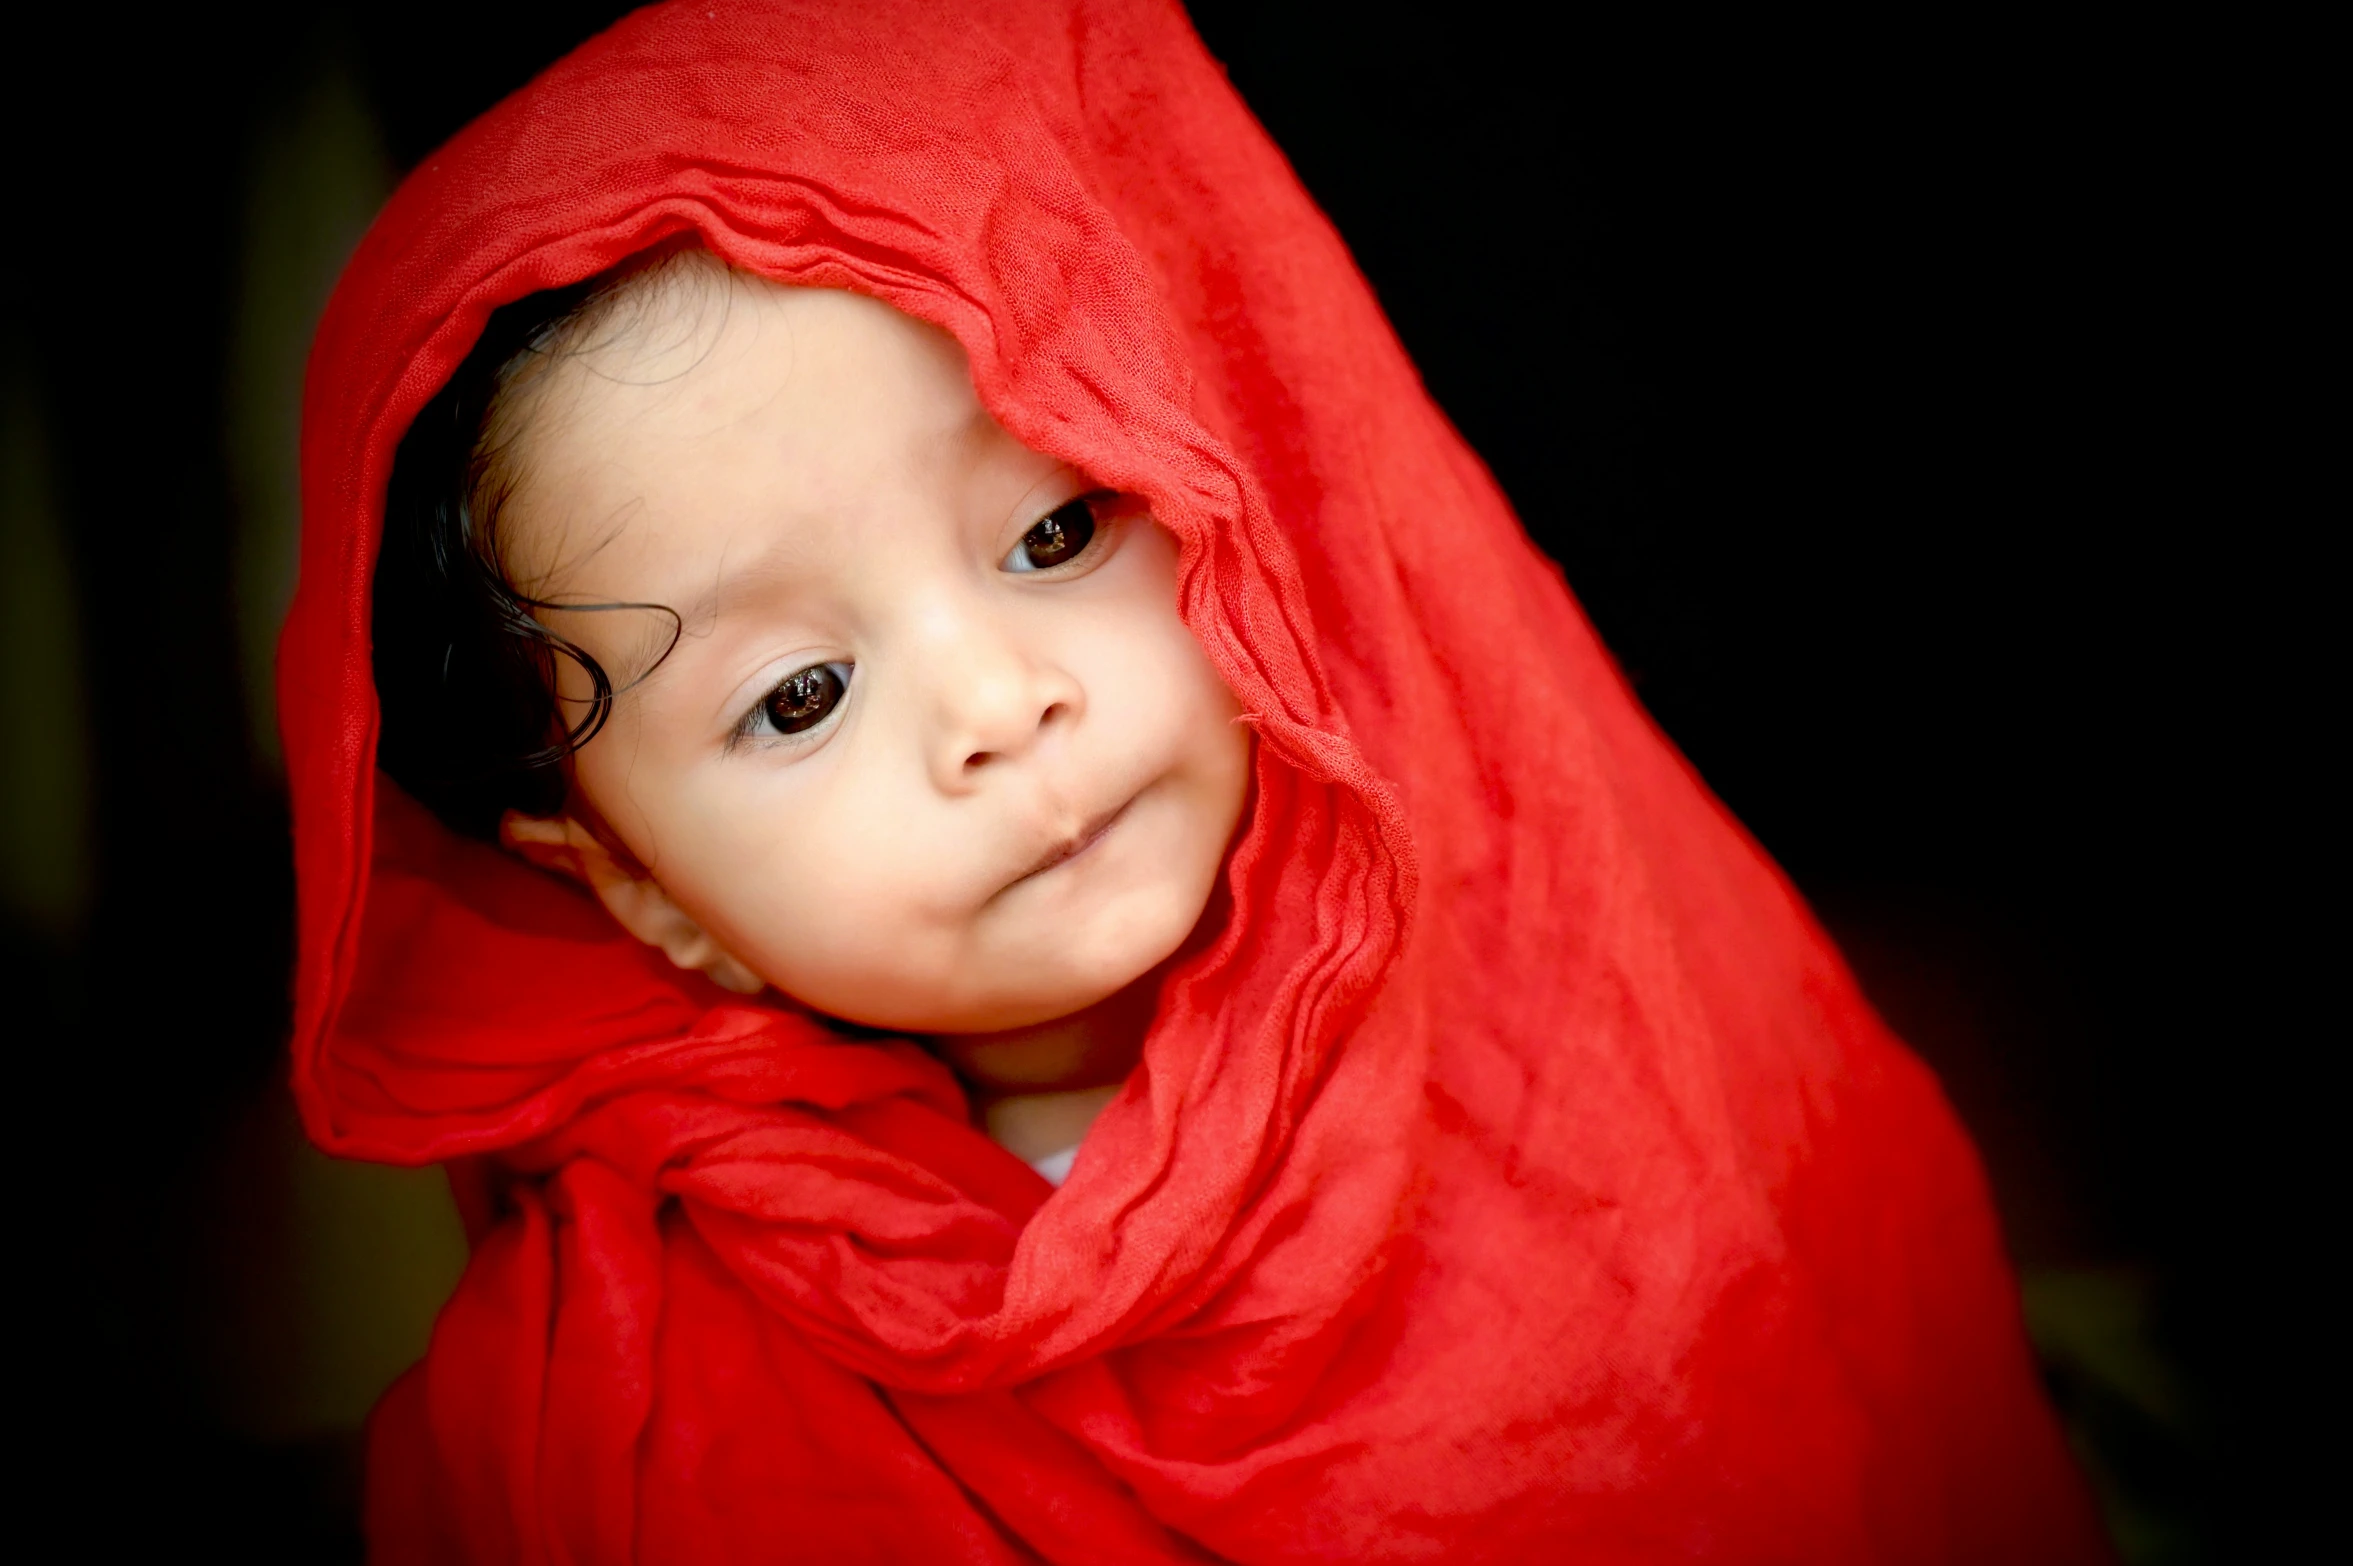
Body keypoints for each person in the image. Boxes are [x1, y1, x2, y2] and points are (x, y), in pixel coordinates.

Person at [285, 1, 2110, 1558]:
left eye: (1060, 525)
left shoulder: (1619, 1028)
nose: (1001, 700)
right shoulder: (617, 1402)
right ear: (636, 885)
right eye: (804, 693)